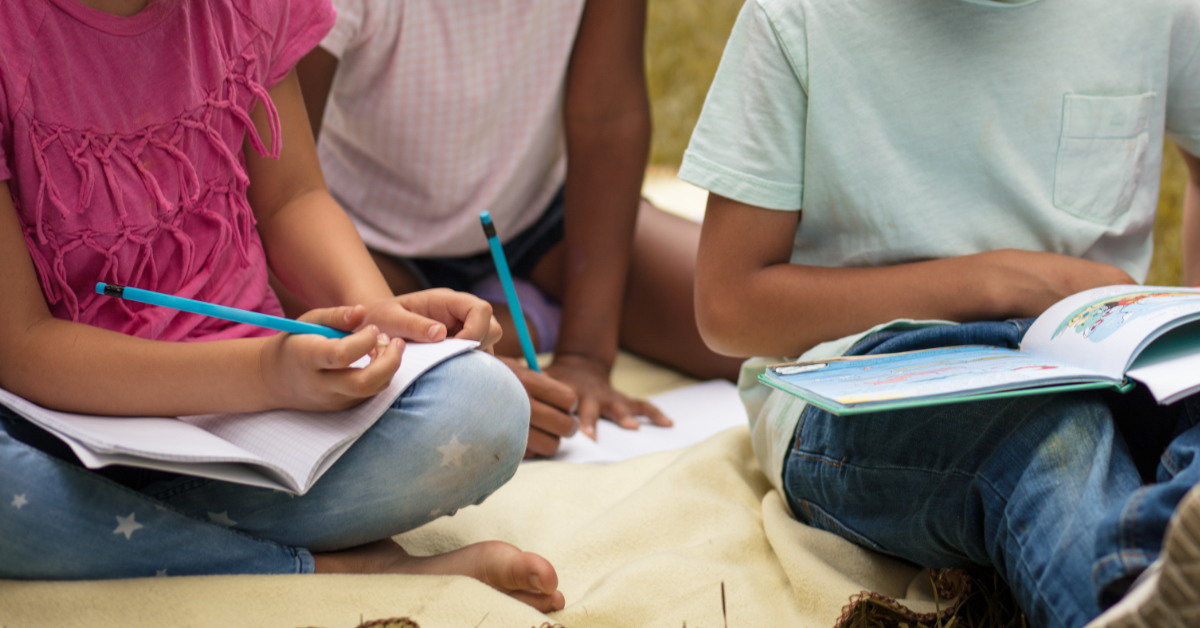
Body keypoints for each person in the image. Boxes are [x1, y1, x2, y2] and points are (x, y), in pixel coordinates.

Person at [0, 0, 562, 612]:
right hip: (56, 430)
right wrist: (268, 373)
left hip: (256, 424)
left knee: (485, 406)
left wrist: (374, 315)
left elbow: (292, 198)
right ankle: (334, 567)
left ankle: (146, 540)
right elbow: (22, 343)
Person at [683, 0, 1200, 627]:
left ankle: (1161, 559)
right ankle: (1118, 592)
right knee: (1050, 435)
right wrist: (995, 281)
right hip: (861, 382)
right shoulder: (797, 16)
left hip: (1097, 357)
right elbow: (729, 305)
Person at [282, 0, 744, 456]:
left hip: (540, 215)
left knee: (740, 326)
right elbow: (283, 187)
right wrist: (472, 380)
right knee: (326, 344)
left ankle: (515, 311)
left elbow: (607, 120)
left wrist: (585, 354)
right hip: (369, 242)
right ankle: (518, 315)